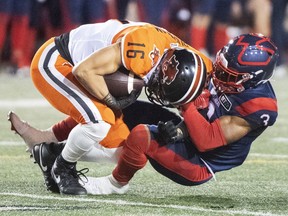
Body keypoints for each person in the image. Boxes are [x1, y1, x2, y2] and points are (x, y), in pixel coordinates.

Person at [8, 19, 210, 195]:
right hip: (58, 61)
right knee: (99, 123)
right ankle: (63, 167)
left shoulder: (192, 60)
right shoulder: (142, 51)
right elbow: (84, 71)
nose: (161, 97)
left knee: (126, 150)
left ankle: (49, 151)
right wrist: (111, 100)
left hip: (88, 68)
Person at [80, 33, 279, 195]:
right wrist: (180, 130)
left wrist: (185, 101)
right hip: (188, 130)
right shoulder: (228, 79)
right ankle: (61, 145)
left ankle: (115, 184)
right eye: (219, 65)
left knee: (142, 136)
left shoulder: (258, 106)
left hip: (199, 161)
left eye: (226, 75)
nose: (217, 74)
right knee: (127, 109)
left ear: (250, 80)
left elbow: (207, 141)